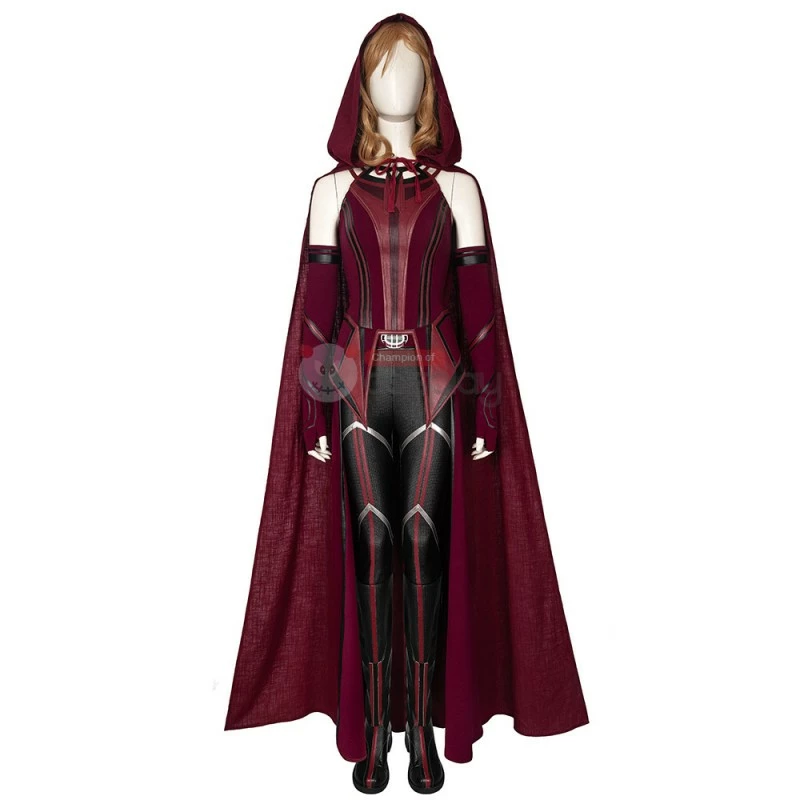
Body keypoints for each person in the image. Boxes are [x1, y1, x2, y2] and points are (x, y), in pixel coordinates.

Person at [225, 12, 588, 795]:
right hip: (358, 389)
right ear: (362, 85)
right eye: (383, 67)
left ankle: (421, 729)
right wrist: (314, 413)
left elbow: (480, 313)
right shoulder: (329, 191)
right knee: (371, 546)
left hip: (438, 387)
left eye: (412, 67)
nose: (397, 80)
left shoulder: (461, 189)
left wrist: (488, 412)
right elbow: (318, 316)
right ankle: (373, 732)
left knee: (423, 544)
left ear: (430, 86)